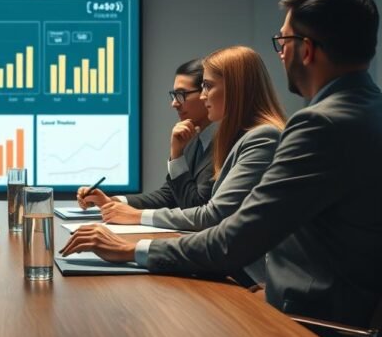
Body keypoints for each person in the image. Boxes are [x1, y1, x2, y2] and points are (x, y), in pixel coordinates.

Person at [61, 0, 382, 337]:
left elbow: (233, 241)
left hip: (319, 335)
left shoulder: (322, 126)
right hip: (369, 334)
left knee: (154, 331)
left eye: (282, 42)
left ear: (306, 50)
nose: (280, 54)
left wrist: (131, 249)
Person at [97, 46, 286, 283]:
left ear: (235, 88)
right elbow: (175, 195)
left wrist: (135, 227)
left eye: (208, 86)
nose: (204, 96)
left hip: (250, 280)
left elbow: (213, 215)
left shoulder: (262, 137)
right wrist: (120, 205)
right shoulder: (232, 136)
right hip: (232, 269)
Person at [77, 59, 216, 211]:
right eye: (174, 95)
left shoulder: (227, 144)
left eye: (181, 94)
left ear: (206, 93)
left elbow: (196, 208)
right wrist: (111, 201)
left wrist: (176, 156)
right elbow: (170, 195)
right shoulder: (193, 139)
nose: (174, 103)